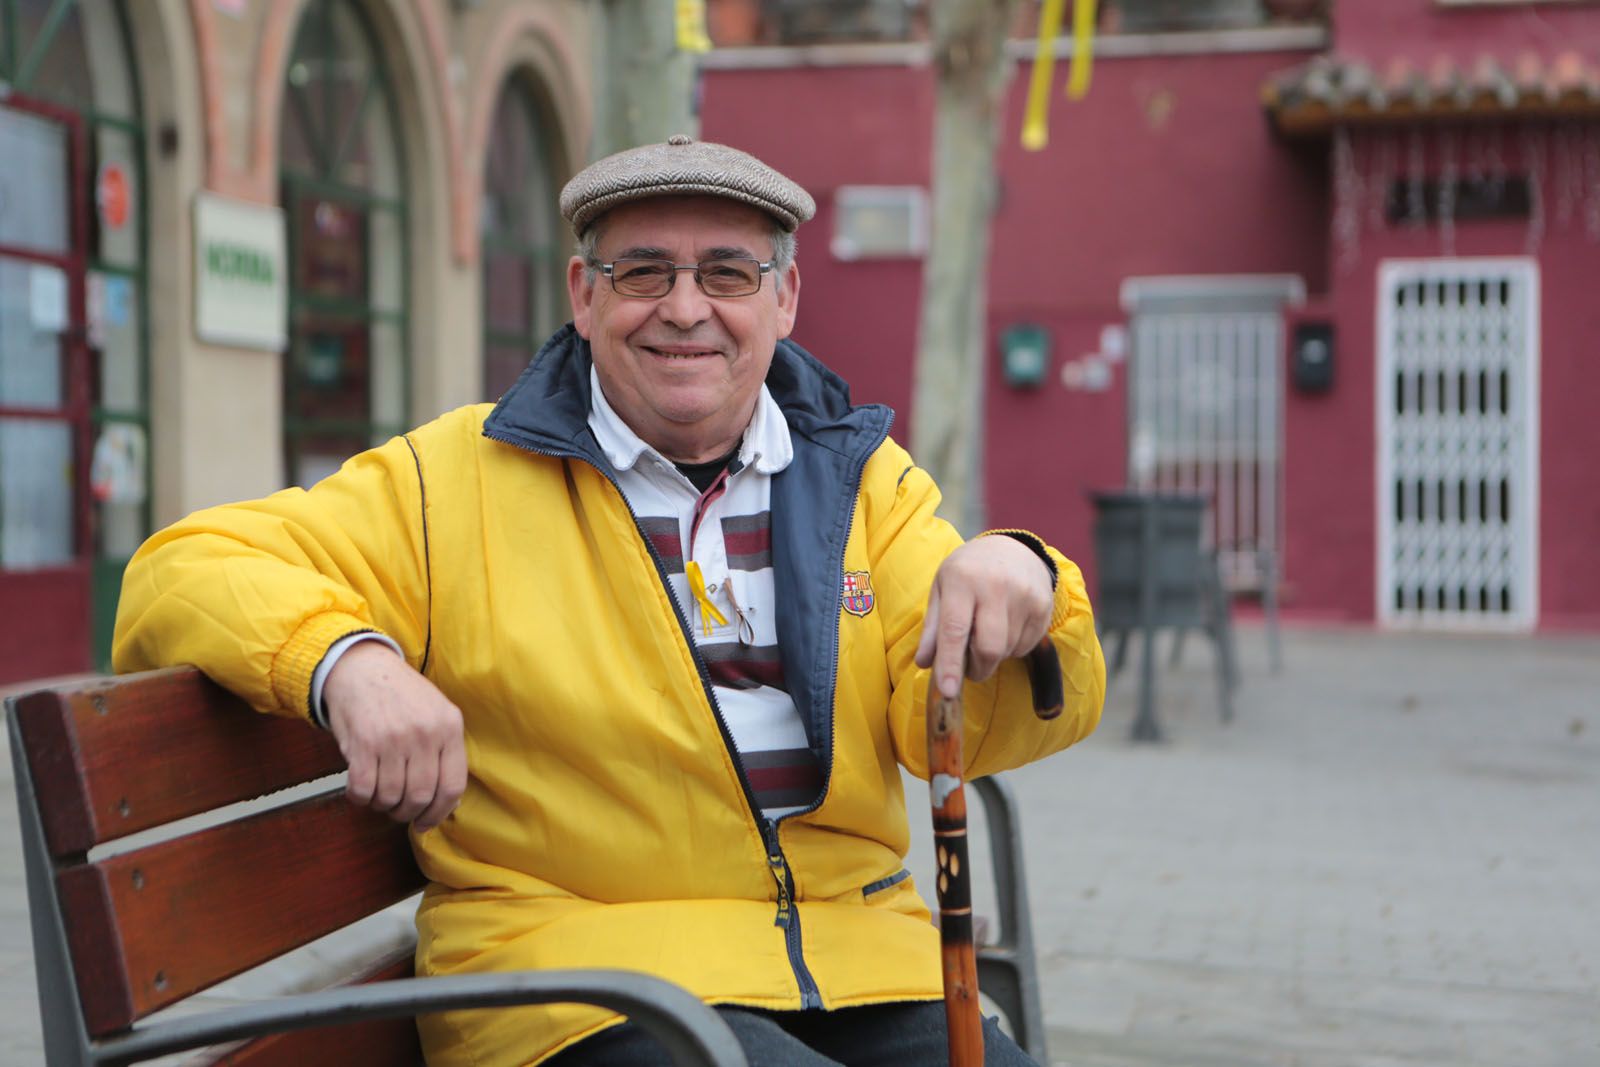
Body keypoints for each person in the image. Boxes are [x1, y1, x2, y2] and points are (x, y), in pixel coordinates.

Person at [113, 136, 1106, 1067]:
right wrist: (348, 663)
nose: (684, 308)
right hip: (577, 971)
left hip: (860, 958)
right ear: (584, 295)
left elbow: (961, 727)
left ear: (785, 296)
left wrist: (1024, 583)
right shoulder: (451, 478)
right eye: (643, 272)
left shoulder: (864, 483)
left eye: (726, 272)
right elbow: (182, 566)